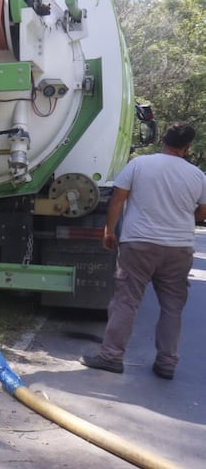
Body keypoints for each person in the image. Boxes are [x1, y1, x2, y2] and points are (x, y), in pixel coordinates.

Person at [80, 122, 206, 379]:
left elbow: (118, 198)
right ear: (187, 148)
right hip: (179, 248)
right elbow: (203, 211)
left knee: (127, 300)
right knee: (172, 306)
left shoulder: (139, 165)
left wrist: (109, 230)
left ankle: (111, 356)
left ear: (164, 141)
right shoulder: (198, 176)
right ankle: (167, 363)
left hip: (139, 244)